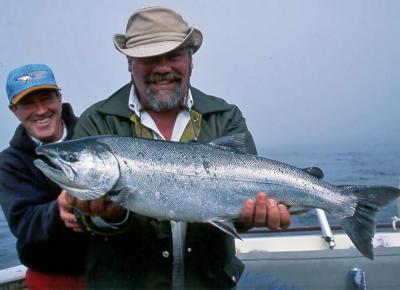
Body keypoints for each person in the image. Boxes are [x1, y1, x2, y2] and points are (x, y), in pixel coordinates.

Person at [64, 6, 291, 289]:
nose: (162, 67)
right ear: (129, 62)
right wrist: (111, 217)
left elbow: (245, 206)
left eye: (173, 55)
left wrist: (250, 218)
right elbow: (79, 217)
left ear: (190, 60)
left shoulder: (225, 116)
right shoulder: (97, 122)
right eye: (148, 57)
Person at [0, 64, 88, 290]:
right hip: (51, 278)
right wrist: (58, 210)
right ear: (14, 110)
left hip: (112, 270)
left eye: (46, 98)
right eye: (28, 103)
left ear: (59, 98)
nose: (40, 110)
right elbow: (24, 223)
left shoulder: (93, 134)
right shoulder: (9, 163)